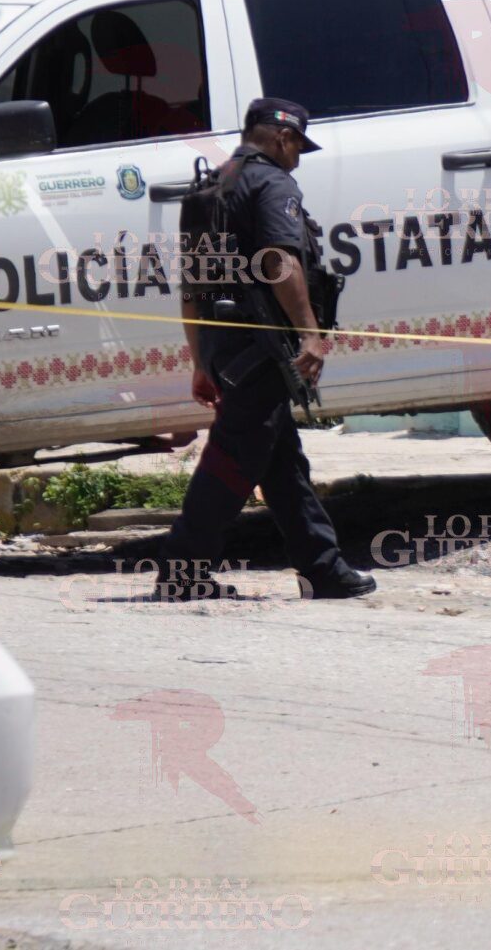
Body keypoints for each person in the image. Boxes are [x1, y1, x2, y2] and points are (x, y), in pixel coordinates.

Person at [154, 98, 376, 603]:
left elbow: (191, 286)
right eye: (298, 145)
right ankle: (180, 571)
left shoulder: (208, 189)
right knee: (233, 460)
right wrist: (309, 334)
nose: (299, 156)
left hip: (223, 345)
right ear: (281, 138)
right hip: (261, 345)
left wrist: (199, 360)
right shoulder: (271, 184)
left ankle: (322, 569)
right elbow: (279, 260)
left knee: (281, 463)